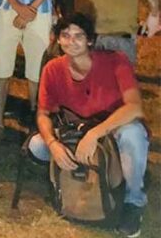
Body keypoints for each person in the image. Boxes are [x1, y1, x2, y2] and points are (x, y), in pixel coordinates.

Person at [29, 13, 148, 238]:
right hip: (77, 130)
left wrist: (94, 135)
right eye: (65, 35)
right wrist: (53, 143)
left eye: (79, 36)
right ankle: (75, 180)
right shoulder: (53, 69)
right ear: (58, 39)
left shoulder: (116, 61)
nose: (71, 41)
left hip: (112, 129)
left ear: (90, 40)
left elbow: (134, 108)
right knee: (37, 145)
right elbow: (43, 113)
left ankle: (133, 201)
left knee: (134, 135)